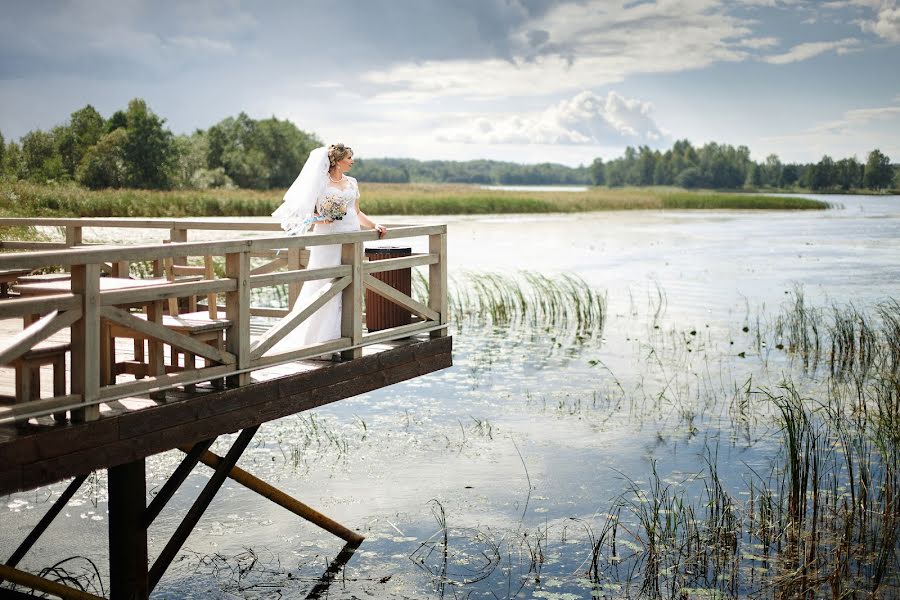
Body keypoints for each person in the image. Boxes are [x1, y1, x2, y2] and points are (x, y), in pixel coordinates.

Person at [267, 143, 386, 355]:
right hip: (328, 238)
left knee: (350, 283)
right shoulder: (320, 183)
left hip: (352, 236)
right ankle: (320, 339)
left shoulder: (352, 182)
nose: (352, 161)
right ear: (338, 161)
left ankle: (344, 334)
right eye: (349, 158)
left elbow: (356, 211)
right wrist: (324, 220)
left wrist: (374, 225)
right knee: (326, 283)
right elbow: (308, 217)